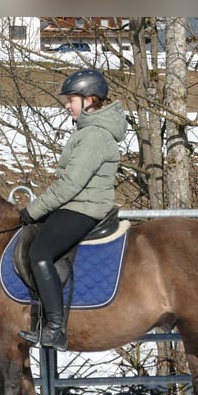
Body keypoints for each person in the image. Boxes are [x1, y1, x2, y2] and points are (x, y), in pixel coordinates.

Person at [17, 69, 128, 352]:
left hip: (84, 207)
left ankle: (54, 329)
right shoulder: (89, 131)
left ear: (90, 100)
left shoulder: (94, 135)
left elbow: (70, 185)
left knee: (40, 254)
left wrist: (33, 210)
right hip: (78, 204)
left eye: (71, 100)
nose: (67, 105)